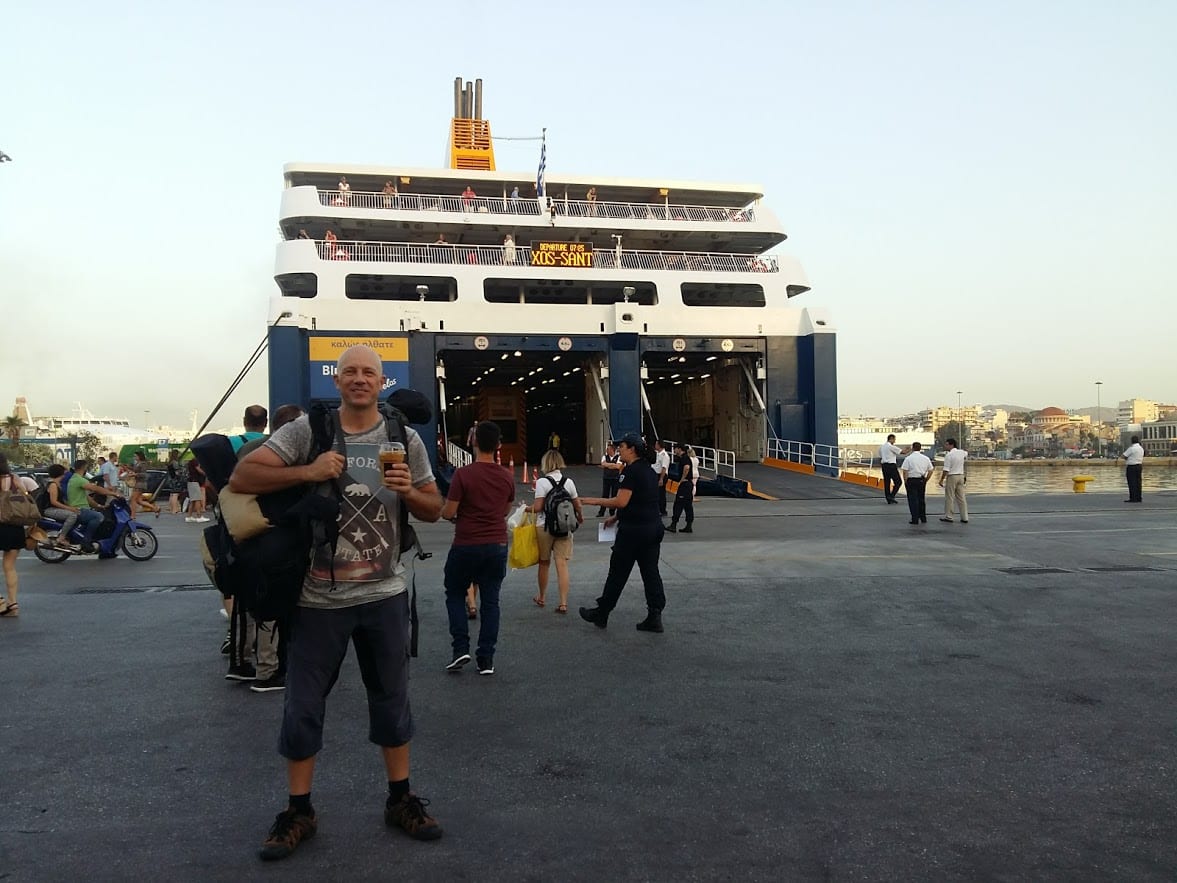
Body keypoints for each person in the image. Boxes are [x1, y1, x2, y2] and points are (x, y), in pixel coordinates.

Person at [231, 344, 444, 861]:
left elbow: (436, 507)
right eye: (349, 371)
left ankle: (400, 799)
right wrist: (309, 471)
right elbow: (243, 477)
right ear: (338, 379)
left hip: (385, 594)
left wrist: (409, 493)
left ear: (382, 380)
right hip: (317, 598)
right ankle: (298, 809)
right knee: (303, 706)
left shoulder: (404, 437)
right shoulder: (308, 430)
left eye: (368, 372)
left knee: (392, 701)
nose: (359, 379)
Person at [440, 420, 515, 676]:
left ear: (473, 442)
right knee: (491, 602)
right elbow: (505, 510)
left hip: (466, 544)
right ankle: (486, 659)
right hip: (496, 544)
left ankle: (460, 647)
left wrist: (453, 514)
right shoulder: (506, 476)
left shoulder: (463, 475)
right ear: (498, 445)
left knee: (454, 591)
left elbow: (448, 511)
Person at [578, 434, 666, 633]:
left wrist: (590, 501)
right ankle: (655, 614)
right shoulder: (649, 471)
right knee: (651, 573)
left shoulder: (630, 472)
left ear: (632, 449)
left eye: (622, 446)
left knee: (617, 573)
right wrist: (617, 517)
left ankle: (602, 612)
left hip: (633, 532)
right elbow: (640, 500)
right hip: (652, 529)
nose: (619, 450)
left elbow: (621, 501)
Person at [530, 449, 583, 615]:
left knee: (544, 563)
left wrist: (525, 509)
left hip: (544, 526)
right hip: (564, 526)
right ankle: (563, 603)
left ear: (546, 463)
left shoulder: (542, 482)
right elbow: (577, 505)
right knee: (562, 563)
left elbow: (538, 507)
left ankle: (542, 596)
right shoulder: (569, 482)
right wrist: (579, 517)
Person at [64, 459, 121, 549]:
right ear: (84, 467)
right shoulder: (79, 480)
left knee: (101, 515)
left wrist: (100, 506)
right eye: (87, 467)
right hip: (79, 510)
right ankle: (86, 541)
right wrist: (114, 494)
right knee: (98, 517)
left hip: (82, 508)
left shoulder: (75, 479)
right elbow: (95, 489)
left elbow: (87, 498)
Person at [0, 455, 31, 617]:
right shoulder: (15, 479)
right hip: (15, 525)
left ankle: (0, 603)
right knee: (10, 567)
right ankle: (13, 604)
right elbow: (25, 497)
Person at [41, 464, 82, 551]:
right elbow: (54, 501)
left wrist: (72, 507)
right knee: (72, 515)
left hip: (54, 508)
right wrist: (69, 509)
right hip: (48, 510)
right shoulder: (52, 485)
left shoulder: (57, 484)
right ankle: (61, 537)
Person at [900, 442, 933, 525]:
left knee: (913, 500)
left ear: (913, 448)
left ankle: (915, 519)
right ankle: (923, 517)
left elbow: (905, 471)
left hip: (911, 480)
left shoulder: (908, 459)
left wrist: (905, 481)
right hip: (921, 480)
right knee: (921, 499)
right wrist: (926, 479)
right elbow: (931, 470)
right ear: (920, 448)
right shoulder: (926, 458)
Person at [938, 438, 969, 524]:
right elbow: (966, 453)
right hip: (961, 475)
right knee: (961, 497)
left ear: (951, 445)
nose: (945, 446)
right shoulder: (962, 452)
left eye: (947, 444)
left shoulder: (949, 455)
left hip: (952, 476)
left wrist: (941, 479)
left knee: (950, 497)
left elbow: (946, 469)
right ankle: (964, 517)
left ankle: (949, 516)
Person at [666, 443, 694, 533]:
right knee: (688, 505)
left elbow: (686, 468)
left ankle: (674, 524)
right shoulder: (685, 458)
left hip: (685, 484)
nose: (674, 451)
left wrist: (681, 480)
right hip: (688, 484)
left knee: (678, 504)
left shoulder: (684, 458)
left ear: (679, 449)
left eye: (675, 449)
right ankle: (688, 525)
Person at [129, 450, 160, 518]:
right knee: (139, 501)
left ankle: (133, 515)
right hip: (138, 483)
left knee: (133, 499)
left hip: (140, 483)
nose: (134, 458)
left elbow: (144, 474)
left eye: (135, 456)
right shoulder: (138, 463)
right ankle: (155, 508)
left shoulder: (143, 464)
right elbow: (135, 470)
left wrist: (135, 474)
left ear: (139, 456)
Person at [598, 442, 621, 517]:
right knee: (605, 495)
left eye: (608, 449)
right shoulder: (605, 456)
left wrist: (609, 465)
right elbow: (603, 464)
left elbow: (618, 466)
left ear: (612, 450)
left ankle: (612, 511)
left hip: (615, 478)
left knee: (614, 495)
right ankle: (601, 512)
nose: (607, 450)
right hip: (606, 478)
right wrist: (612, 465)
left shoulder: (618, 457)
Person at [879, 434, 904, 504]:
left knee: (887, 482)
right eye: (894, 440)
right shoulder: (891, 447)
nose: (895, 441)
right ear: (891, 439)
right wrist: (910, 449)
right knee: (898, 482)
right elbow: (902, 452)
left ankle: (888, 498)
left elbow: (880, 455)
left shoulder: (881, 447)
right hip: (891, 466)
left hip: (884, 466)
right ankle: (892, 495)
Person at [185, 459, 209, 523]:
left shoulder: (191, 462)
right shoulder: (196, 461)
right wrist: (206, 473)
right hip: (195, 482)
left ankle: (189, 516)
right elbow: (199, 470)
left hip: (191, 482)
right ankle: (199, 516)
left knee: (193, 500)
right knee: (197, 499)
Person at [1122, 435, 1144, 503]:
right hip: (1139, 466)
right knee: (1138, 482)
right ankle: (1138, 497)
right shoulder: (1141, 448)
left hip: (1131, 467)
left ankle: (1133, 498)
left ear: (1132, 441)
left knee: (1132, 483)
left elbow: (1124, 456)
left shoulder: (1131, 448)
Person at [652, 440, 671, 517]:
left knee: (661, 494)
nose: (655, 445)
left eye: (656, 444)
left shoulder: (664, 455)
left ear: (659, 445)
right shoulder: (657, 454)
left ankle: (662, 510)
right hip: (655, 474)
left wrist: (661, 479)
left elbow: (664, 468)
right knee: (656, 493)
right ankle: (656, 509)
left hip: (661, 475)